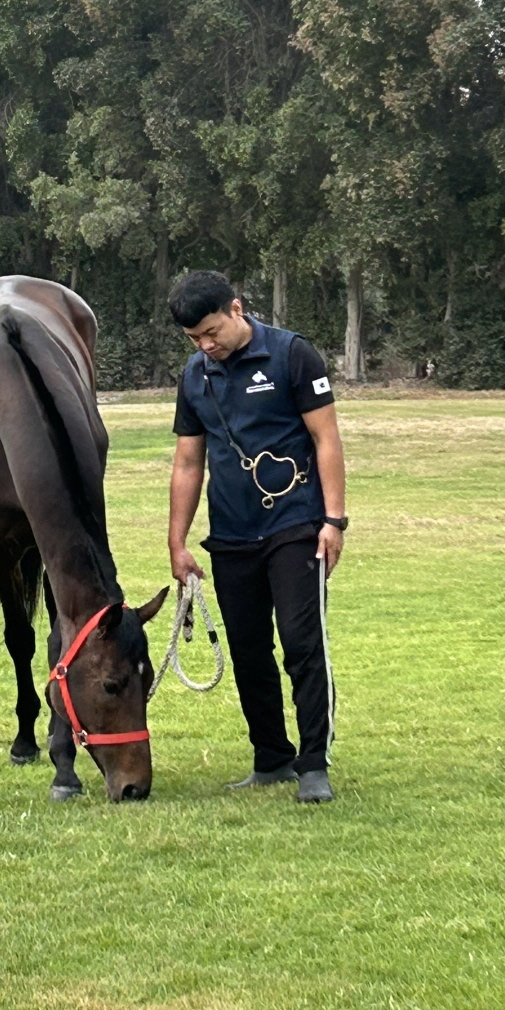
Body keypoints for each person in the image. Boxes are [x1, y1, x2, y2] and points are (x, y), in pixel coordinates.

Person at [166, 270, 348, 803]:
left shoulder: (293, 355)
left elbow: (326, 438)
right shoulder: (194, 377)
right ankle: (271, 758)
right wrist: (177, 543)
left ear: (237, 309)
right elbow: (187, 462)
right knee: (248, 650)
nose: (205, 345)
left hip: (296, 525)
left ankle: (314, 764)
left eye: (211, 331)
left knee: (301, 643)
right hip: (230, 533)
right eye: (193, 339)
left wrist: (333, 520)